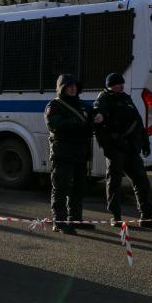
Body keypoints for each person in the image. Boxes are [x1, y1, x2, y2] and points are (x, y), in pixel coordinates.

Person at [93, 73, 152, 229]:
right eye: (118, 84)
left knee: (142, 182)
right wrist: (108, 146)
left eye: (122, 83)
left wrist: (145, 142)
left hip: (131, 149)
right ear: (110, 85)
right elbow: (99, 121)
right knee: (114, 184)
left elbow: (138, 121)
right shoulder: (103, 100)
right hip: (115, 149)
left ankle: (146, 217)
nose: (121, 86)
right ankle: (116, 217)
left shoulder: (126, 98)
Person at [44, 74, 93, 235]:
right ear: (62, 88)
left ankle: (75, 219)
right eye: (69, 86)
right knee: (61, 187)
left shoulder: (82, 105)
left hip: (80, 153)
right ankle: (59, 222)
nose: (72, 89)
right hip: (62, 153)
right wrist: (75, 122)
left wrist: (99, 117)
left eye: (74, 86)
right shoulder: (54, 105)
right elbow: (53, 124)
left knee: (79, 188)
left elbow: (92, 119)